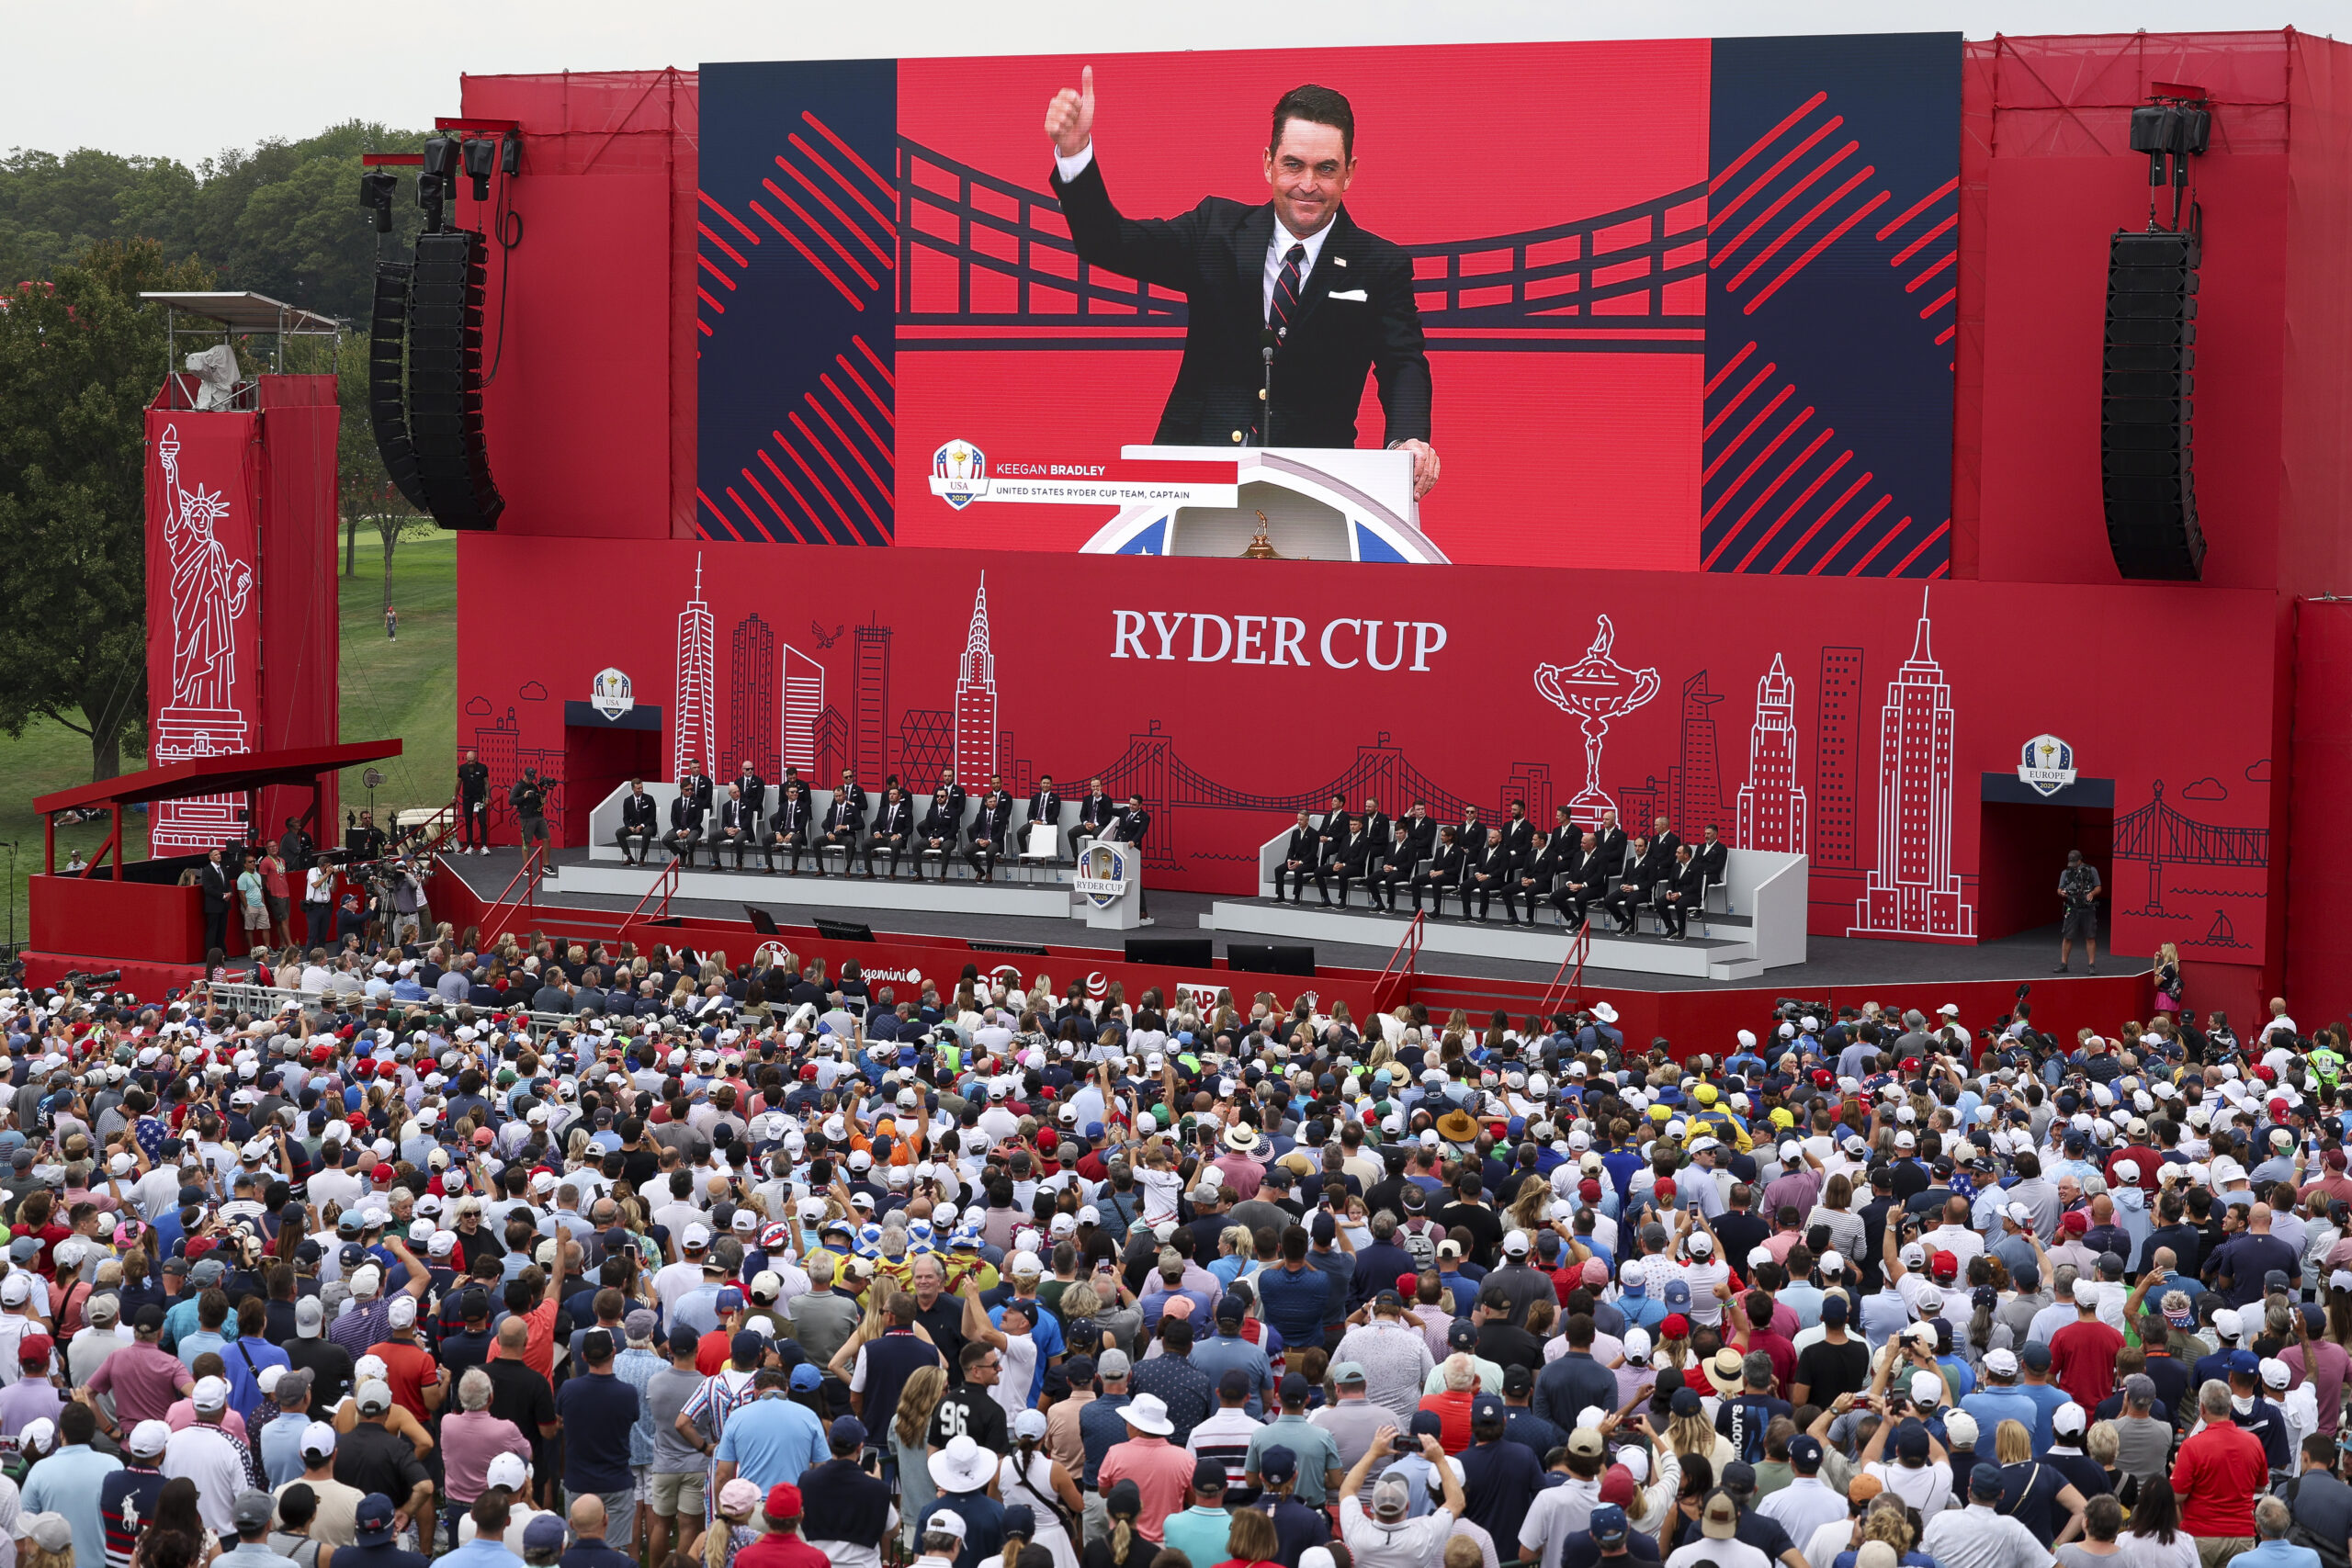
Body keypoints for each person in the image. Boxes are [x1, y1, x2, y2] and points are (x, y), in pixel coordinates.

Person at [1043, 73, 1438, 493]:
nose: (1308, 185)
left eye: (1325, 169)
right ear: (1268, 163)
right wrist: (1075, 153)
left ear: (1349, 172)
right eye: (1293, 165)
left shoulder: (1380, 264)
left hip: (1313, 485)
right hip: (1193, 473)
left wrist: (1407, 440)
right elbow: (1110, 244)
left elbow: (1403, 363)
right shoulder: (1216, 230)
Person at [1334, 1422, 1463, 1568]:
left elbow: (1347, 1491)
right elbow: (1456, 1502)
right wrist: (1440, 1460)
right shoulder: (1422, 1537)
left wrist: (1373, 1453)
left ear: (1373, 1504)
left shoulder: (1358, 1534)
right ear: (1407, 1506)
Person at [2056, 850, 2102, 975]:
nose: (2073, 865)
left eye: (2075, 862)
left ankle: (2091, 965)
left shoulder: (2091, 870)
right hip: (2072, 908)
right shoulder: (2065, 873)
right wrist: (2062, 893)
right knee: (2067, 936)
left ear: (2080, 860)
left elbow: (2098, 887)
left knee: (2090, 937)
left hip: (2088, 908)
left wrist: (2092, 893)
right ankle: (2064, 964)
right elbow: (2059, 889)